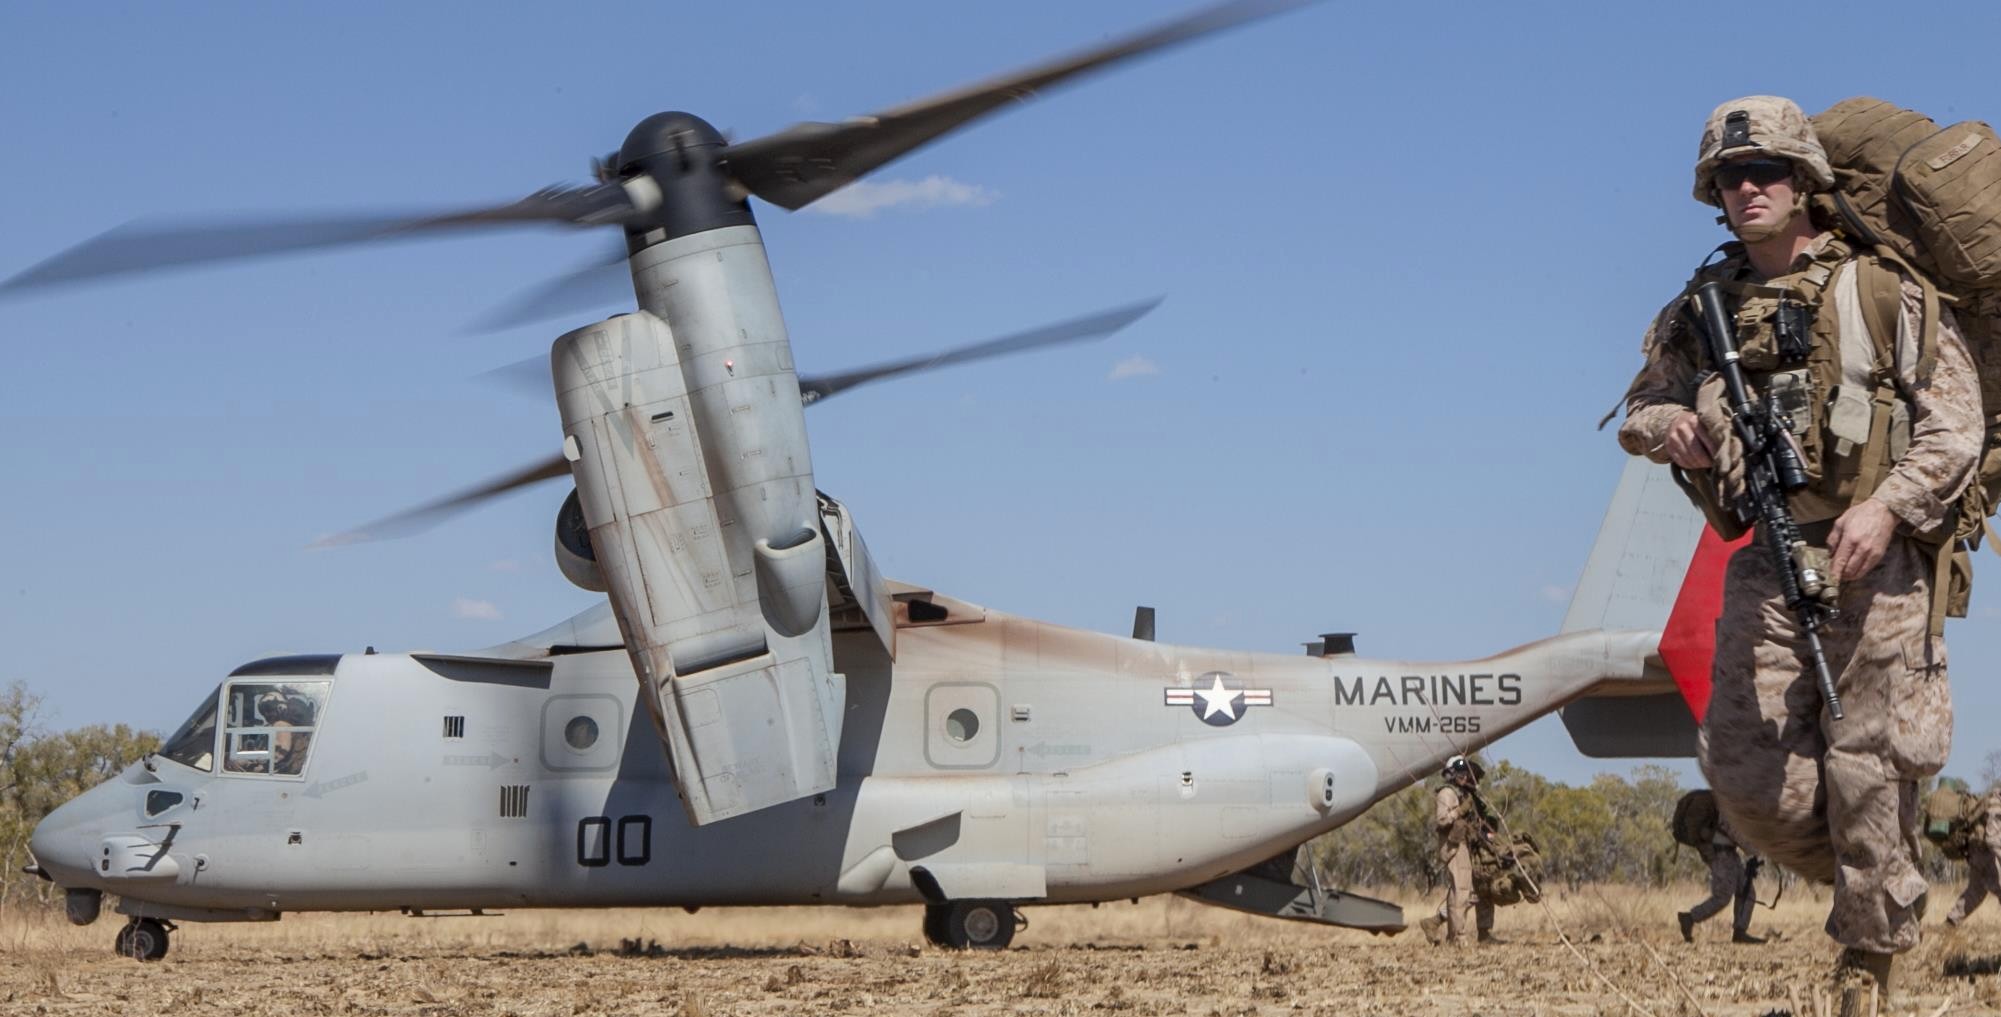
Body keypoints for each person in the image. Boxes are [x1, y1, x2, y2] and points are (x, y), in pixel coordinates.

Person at [1619, 96, 1982, 994]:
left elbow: (1956, 428)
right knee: (1745, 776)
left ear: (1804, 183)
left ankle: (1868, 964)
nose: (1748, 188)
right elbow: (1636, 409)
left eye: (1767, 172)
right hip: (1768, 560)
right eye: (1730, 176)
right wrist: (1673, 425)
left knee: (1867, 759)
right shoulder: (1703, 307)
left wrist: (1888, 508)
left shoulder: (1879, 290)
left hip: (1882, 558)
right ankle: (1889, 862)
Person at [1418, 755, 1498, 945]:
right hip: (1454, 846)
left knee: (1466, 890)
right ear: (1452, 774)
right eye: (1461, 774)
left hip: (1465, 844)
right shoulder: (1447, 793)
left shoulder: (1464, 794)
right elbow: (1442, 819)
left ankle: (1454, 934)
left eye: (1466, 774)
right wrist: (1460, 811)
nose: (1465, 778)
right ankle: (1458, 937)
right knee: (1462, 890)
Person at [1677, 811, 1764, 944]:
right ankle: (1690, 918)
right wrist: (1753, 849)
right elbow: (1733, 831)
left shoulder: (1732, 803)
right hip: (1721, 855)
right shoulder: (1724, 804)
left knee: (1747, 892)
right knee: (1723, 896)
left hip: (1730, 854)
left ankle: (1740, 932)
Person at [1946, 787, 2001, 927]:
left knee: (1976, 892)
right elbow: (1992, 839)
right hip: (1983, 853)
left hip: (1977, 852)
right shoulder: (1996, 805)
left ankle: (1951, 922)